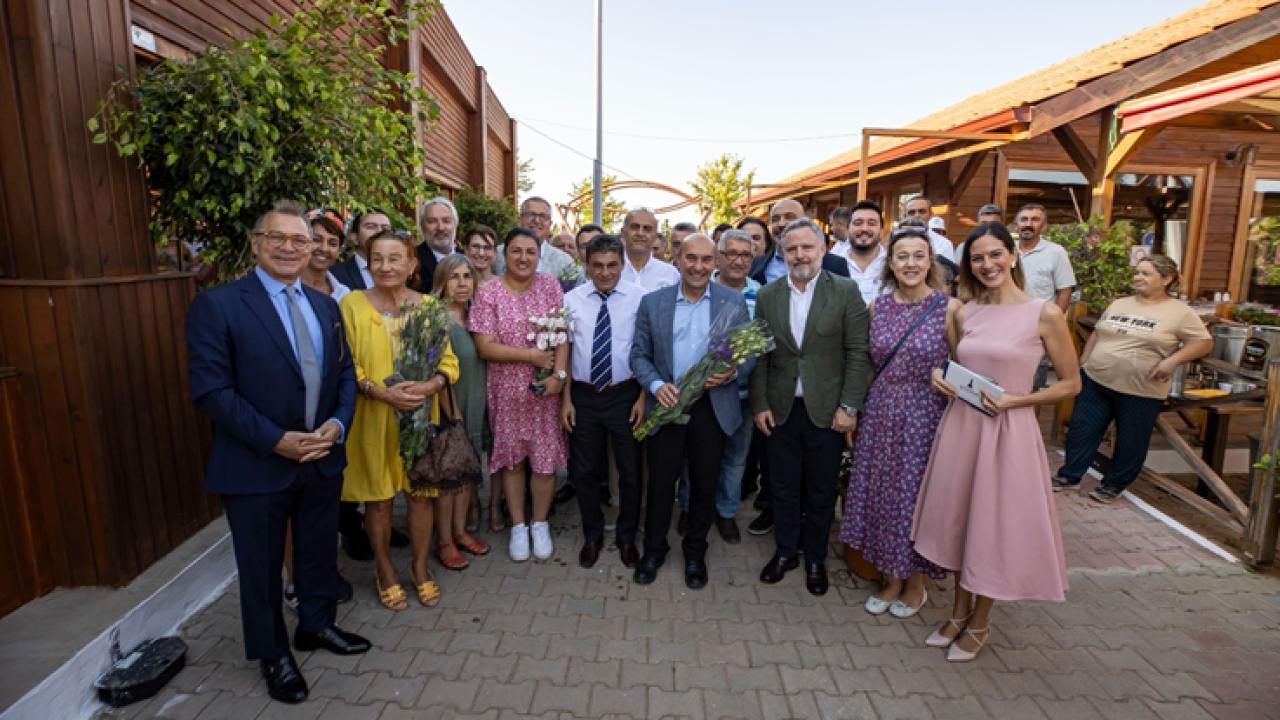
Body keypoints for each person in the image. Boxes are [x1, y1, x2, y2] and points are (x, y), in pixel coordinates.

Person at [186, 199, 369, 705]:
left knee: (318, 552)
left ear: (311, 249)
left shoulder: (325, 305)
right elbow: (212, 391)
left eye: (299, 240)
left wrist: (337, 424)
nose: (289, 248)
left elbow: (345, 374)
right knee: (262, 567)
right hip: (257, 461)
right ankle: (273, 654)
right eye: (277, 238)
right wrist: (276, 439)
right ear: (256, 244)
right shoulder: (219, 305)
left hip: (320, 456)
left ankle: (316, 625)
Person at [913, 221, 1080, 662]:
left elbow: (1071, 384)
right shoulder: (965, 311)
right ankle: (958, 612)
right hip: (962, 427)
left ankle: (980, 621)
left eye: (994, 254)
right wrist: (940, 376)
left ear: (1012, 255)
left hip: (1008, 432)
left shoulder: (1045, 313)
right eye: (977, 258)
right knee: (961, 520)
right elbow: (958, 365)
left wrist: (1017, 401)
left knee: (991, 527)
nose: (987, 265)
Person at [840, 226, 957, 618]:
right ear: (890, 263)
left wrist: (944, 375)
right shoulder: (879, 307)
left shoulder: (948, 309)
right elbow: (869, 365)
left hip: (925, 416)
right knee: (881, 497)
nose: (911, 263)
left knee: (915, 501)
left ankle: (916, 582)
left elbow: (965, 366)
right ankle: (890, 578)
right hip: (881, 413)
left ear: (930, 262)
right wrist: (855, 412)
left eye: (918, 256)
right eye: (902, 256)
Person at [340, 230, 460, 612]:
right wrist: (378, 392)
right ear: (368, 263)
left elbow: (448, 363)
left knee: (421, 497)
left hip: (420, 419)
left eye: (395, 258)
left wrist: (429, 386)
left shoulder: (428, 306)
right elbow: (347, 363)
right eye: (377, 258)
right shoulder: (352, 304)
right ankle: (385, 570)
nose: (386, 266)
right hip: (373, 417)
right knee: (378, 501)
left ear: (411, 265)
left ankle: (420, 566)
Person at [751, 219, 869, 597]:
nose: (799, 255)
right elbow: (761, 354)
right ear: (782, 253)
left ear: (822, 249)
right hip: (781, 409)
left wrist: (849, 406)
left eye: (807, 247)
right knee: (783, 487)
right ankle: (786, 552)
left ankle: (816, 558)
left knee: (821, 491)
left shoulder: (846, 291)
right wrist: (760, 403)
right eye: (791, 249)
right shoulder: (768, 295)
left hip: (827, 411)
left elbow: (858, 353)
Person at [631, 233, 751, 589]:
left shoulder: (733, 302)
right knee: (661, 484)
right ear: (678, 260)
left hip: (712, 407)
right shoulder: (653, 303)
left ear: (716, 262)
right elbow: (638, 355)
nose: (698, 266)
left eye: (706, 259)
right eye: (691, 258)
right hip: (667, 404)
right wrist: (656, 385)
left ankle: (696, 551)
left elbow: (749, 353)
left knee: (704, 484)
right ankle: (654, 550)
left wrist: (733, 371)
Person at [1053, 255, 1212, 503]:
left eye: (1146, 273)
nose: (1137, 277)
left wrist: (1173, 360)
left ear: (1167, 279)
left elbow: (1203, 342)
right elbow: (1097, 333)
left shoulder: (1180, 312)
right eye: (1137, 272)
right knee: (1082, 431)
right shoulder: (1120, 303)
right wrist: (1084, 360)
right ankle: (1070, 475)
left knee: (1131, 441)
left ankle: (1113, 485)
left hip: (1140, 389)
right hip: (1096, 379)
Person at [471, 228, 569, 562]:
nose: (523, 257)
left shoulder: (549, 285)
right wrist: (531, 356)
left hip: (545, 392)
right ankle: (518, 525)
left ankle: (539, 523)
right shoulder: (490, 292)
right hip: (506, 391)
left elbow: (562, 333)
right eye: (516, 250)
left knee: (544, 462)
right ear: (504, 254)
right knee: (512, 461)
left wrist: (558, 376)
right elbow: (484, 346)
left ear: (539, 256)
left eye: (530, 251)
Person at [560, 234, 646, 568]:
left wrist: (643, 397)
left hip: (625, 394)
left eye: (612, 265)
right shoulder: (572, 299)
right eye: (597, 265)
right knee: (585, 471)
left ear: (622, 264)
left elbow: (648, 350)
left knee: (630, 471)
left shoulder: (640, 299)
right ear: (587, 266)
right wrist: (566, 400)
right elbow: (566, 352)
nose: (605, 272)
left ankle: (626, 537)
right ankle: (592, 535)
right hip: (583, 395)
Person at [430, 255, 493, 564]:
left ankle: (460, 531)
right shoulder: (435, 319)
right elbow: (435, 373)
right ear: (442, 282)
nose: (462, 283)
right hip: (451, 408)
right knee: (449, 479)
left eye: (467, 276)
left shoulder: (475, 315)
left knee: (468, 472)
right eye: (454, 277)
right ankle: (444, 541)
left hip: (476, 403)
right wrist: (452, 417)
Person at [749, 199, 849, 284]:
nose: (781, 223)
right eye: (775, 219)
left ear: (804, 222)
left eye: (789, 217)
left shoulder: (834, 265)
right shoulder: (755, 265)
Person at [492, 197, 576, 279]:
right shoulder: (497, 255)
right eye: (531, 215)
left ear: (550, 223)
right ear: (519, 219)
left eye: (543, 216)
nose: (537, 220)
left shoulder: (565, 262)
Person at [1014, 203, 1075, 313]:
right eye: (1024, 219)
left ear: (1044, 226)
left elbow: (1065, 291)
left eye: (1035, 220)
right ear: (1016, 225)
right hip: (1010, 317)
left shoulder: (1056, 252)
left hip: (1041, 319)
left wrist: (1054, 319)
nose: (1028, 224)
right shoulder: (1007, 251)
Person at [839, 200, 889, 306]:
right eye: (858, 223)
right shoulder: (832, 263)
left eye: (871, 223)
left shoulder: (892, 263)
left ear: (881, 231)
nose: (864, 229)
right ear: (848, 229)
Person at [620, 207, 681, 291]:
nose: (640, 233)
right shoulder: (609, 271)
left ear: (655, 236)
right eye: (635, 227)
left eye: (647, 229)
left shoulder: (670, 274)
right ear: (623, 233)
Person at [331, 209, 392, 291]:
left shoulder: (402, 272)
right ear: (355, 238)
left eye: (385, 228)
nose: (379, 232)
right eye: (371, 227)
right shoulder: (335, 275)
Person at [415, 196, 462, 294]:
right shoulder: (413, 261)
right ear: (422, 227)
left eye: (446, 221)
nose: (440, 228)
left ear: (455, 225)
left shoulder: (468, 258)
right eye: (432, 221)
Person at [302, 210, 350, 302]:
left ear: (339, 251)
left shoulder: (343, 294)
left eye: (332, 243)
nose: (324, 249)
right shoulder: (285, 285)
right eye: (316, 240)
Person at [901, 195, 956, 263]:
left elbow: (947, 269)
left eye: (922, 211)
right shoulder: (896, 241)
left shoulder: (944, 244)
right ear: (905, 216)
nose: (917, 215)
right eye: (912, 212)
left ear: (931, 214)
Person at [462, 223, 498, 288]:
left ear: (495, 253)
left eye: (487, 247)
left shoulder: (507, 287)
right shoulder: (456, 286)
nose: (481, 253)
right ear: (466, 250)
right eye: (476, 246)